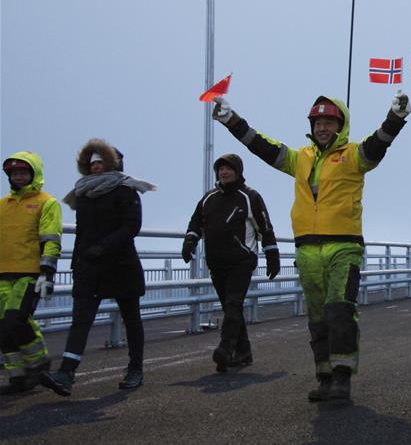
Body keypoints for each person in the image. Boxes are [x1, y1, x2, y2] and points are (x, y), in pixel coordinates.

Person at [211, 89, 410, 402]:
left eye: (329, 122)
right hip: (307, 250)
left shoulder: (355, 155)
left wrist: (395, 118)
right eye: (317, 122)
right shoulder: (298, 158)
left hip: (344, 247)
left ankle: (343, 377)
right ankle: (325, 376)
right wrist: (230, 120)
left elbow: (378, 144)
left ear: (341, 125)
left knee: (340, 311)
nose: (322, 128)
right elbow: (261, 146)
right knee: (317, 317)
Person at [42, 140, 156, 396]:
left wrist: (102, 248)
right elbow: (82, 233)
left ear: (112, 163)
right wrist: (77, 261)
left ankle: (135, 368)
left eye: (100, 162)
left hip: (120, 264)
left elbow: (131, 227)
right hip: (89, 266)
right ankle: (66, 373)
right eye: (91, 163)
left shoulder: (126, 190)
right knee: (81, 320)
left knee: (131, 318)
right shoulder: (81, 194)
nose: (95, 168)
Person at [182, 154, 279, 373]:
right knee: (229, 308)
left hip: (241, 261)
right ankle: (244, 352)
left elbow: (265, 227)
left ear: (238, 171)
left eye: (229, 168)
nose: (224, 172)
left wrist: (272, 254)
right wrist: (189, 241)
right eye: (220, 169)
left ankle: (225, 348)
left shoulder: (250, 196)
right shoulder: (209, 198)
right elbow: (195, 222)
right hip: (216, 262)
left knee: (234, 304)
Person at [0, 152, 61, 394]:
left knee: (16, 319)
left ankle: (39, 364)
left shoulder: (47, 202)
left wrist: (47, 272)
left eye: (24, 172)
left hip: (29, 272)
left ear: (34, 174)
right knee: (2, 327)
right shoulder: (3, 205)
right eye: (14, 173)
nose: (19, 176)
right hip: (2, 273)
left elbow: (51, 239)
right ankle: (18, 376)